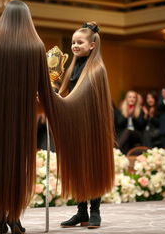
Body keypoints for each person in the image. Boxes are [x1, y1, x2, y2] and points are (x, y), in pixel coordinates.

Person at [0, 1, 114, 234]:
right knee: (16, 165)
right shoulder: (34, 45)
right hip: (21, 119)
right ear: (26, 18)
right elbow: (44, 90)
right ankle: (13, 217)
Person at [59, 22, 111, 229]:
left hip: (91, 127)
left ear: (92, 45)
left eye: (79, 42)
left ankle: (95, 211)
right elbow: (68, 94)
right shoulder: (73, 67)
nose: (74, 45)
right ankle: (81, 212)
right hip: (74, 125)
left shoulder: (97, 69)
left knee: (93, 168)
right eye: (73, 42)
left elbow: (84, 97)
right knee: (77, 169)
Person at [117, 90, 145, 154]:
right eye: (130, 97)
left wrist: (133, 116)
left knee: (128, 131)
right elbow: (119, 124)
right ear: (126, 98)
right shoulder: (121, 109)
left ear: (136, 99)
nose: (132, 99)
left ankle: (116, 149)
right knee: (126, 134)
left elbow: (141, 125)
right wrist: (127, 115)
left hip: (136, 134)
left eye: (134, 97)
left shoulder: (140, 110)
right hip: (124, 134)